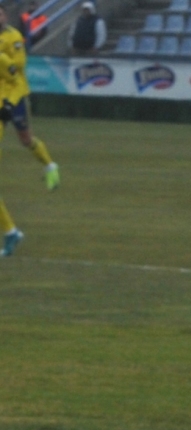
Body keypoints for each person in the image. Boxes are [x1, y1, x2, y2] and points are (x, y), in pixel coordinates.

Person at [0, 4, 60, 255]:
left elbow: (16, 72)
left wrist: (9, 103)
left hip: (14, 98)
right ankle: (10, 232)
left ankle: (50, 165)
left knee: (26, 139)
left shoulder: (13, 38)